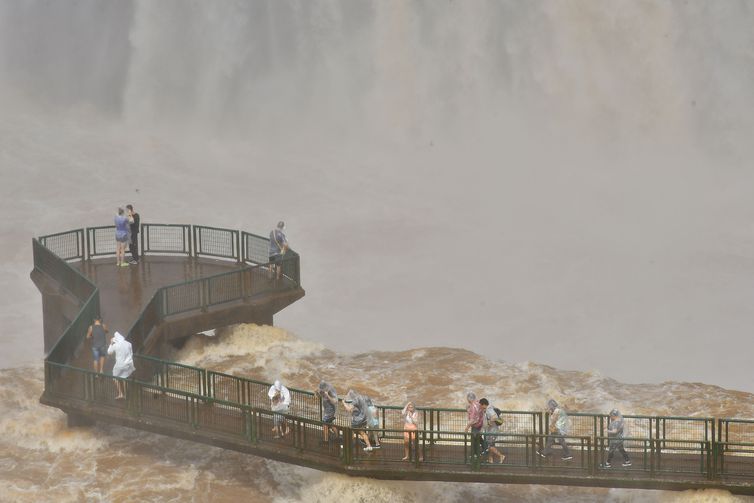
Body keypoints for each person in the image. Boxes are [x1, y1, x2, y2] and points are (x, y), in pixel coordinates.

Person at [107, 331, 135, 400]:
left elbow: (109, 352)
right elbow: (131, 353)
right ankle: (126, 394)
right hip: (127, 364)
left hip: (119, 365)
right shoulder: (129, 344)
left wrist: (111, 343)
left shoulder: (116, 345)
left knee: (115, 378)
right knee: (124, 378)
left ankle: (121, 393)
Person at [480, 398, 506, 464]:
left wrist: (489, 422)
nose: (480, 407)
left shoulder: (489, 410)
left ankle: (501, 456)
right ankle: (490, 459)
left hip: (493, 431)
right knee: (491, 445)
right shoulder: (489, 408)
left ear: (483, 404)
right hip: (491, 430)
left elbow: (495, 417)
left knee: (490, 446)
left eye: (480, 405)